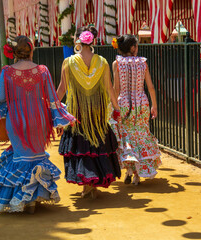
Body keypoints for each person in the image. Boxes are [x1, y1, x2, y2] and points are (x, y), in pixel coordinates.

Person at [0, 36, 75, 213]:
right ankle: (35, 199)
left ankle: (25, 199)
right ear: (31, 50)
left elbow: (1, 98)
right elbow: (52, 97)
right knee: (37, 157)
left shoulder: (6, 72)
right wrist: (59, 119)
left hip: (16, 120)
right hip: (39, 119)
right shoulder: (42, 70)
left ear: (14, 53)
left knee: (22, 158)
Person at [57, 26, 121, 199]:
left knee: (81, 146)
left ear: (78, 40)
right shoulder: (102, 62)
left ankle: (86, 184)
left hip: (77, 110)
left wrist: (54, 108)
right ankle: (94, 184)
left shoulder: (69, 62)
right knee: (96, 144)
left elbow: (62, 89)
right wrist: (116, 108)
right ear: (93, 41)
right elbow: (109, 88)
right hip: (97, 112)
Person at [111, 35, 161, 185]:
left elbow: (116, 88)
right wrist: (154, 105)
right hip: (142, 103)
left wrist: (114, 106)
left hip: (124, 103)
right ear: (133, 48)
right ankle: (138, 174)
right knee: (141, 135)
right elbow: (150, 87)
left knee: (126, 137)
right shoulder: (142, 62)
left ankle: (129, 170)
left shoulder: (117, 63)